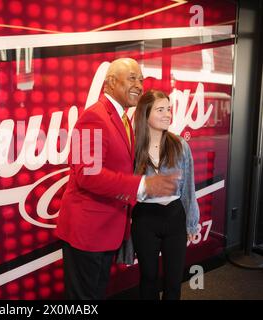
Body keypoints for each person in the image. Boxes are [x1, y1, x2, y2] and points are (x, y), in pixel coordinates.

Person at [56, 58, 180, 300]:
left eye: (141, 80)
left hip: (106, 232)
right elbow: (86, 175)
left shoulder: (123, 118)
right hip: (87, 235)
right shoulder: (91, 117)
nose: (139, 85)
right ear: (110, 82)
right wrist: (142, 185)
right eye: (132, 78)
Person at [132, 89, 200, 300]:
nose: (167, 114)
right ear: (145, 114)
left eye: (169, 109)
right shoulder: (132, 147)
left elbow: (189, 189)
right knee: (148, 277)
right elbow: (125, 187)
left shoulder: (180, 145)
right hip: (145, 218)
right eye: (160, 109)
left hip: (175, 216)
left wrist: (191, 222)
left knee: (173, 280)